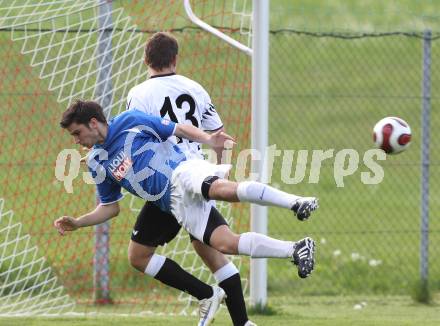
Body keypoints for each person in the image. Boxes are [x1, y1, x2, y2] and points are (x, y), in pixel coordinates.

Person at [55, 101, 318, 324]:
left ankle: (296, 202)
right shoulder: (96, 162)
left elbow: (175, 128)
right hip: (175, 204)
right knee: (224, 244)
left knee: (222, 190)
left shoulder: (129, 120)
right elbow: (110, 207)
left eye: (76, 133)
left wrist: (208, 139)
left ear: (92, 122)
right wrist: (79, 222)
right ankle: (295, 249)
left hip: (182, 171)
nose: (77, 141)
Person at [125, 31, 252, 326]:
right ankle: (242, 322)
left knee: (139, 255)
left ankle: (207, 294)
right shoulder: (196, 88)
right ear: (175, 59)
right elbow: (219, 136)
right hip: (200, 176)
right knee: (208, 247)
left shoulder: (138, 94)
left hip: (168, 181)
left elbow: (134, 139)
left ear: (146, 59)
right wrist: (220, 173)